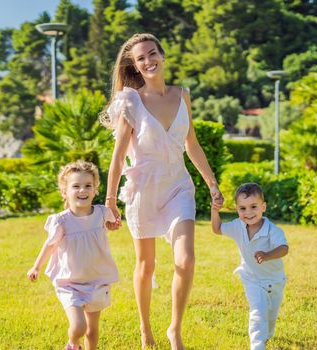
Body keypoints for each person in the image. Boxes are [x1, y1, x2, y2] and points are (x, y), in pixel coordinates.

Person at [101, 33, 223, 350]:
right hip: (143, 191)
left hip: (178, 186)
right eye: (141, 58)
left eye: (152, 54)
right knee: (146, 266)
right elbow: (117, 157)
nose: (148, 61)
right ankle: (145, 330)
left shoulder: (182, 95)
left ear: (162, 55)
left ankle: (175, 330)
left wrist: (211, 182)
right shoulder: (130, 101)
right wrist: (110, 201)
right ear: (135, 66)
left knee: (186, 260)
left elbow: (191, 143)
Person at [27, 160, 119, 350]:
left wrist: (115, 224)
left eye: (88, 186)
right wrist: (36, 266)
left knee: (92, 331)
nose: (82, 190)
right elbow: (50, 245)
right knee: (79, 326)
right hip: (70, 284)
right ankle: (73, 343)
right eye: (75, 186)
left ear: (95, 190)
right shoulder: (61, 221)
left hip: (96, 281)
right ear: (65, 192)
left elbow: (114, 222)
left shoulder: (102, 212)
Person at [211, 183, 289, 350]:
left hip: (274, 280)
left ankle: (266, 335)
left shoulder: (272, 230)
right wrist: (215, 210)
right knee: (258, 312)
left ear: (263, 207)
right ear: (237, 209)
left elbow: (284, 249)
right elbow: (217, 229)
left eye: (253, 207)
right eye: (242, 208)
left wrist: (267, 255)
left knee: (271, 315)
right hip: (251, 278)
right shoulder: (238, 226)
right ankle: (257, 345)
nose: (248, 213)